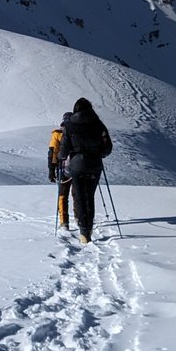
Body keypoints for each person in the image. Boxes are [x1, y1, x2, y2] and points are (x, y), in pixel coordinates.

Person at [59, 97, 113, 243]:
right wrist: (100, 153)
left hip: (77, 166)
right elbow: (108, 148)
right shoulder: (98, 124)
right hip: (95, 165)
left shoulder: (70, 125)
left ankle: (84, 232)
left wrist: (61, 157)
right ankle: (88, 227)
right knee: (90, 195)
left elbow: (63, 149)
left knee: (80, 197)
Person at [47, 113, 73, 230]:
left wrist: (51, 171)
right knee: (77, 195)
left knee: (63, 195)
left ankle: (64, 222)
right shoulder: (78, 132)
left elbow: (52, 153)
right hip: (79, 168)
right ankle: (79, 217)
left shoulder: (57, 134)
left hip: (62, 169)